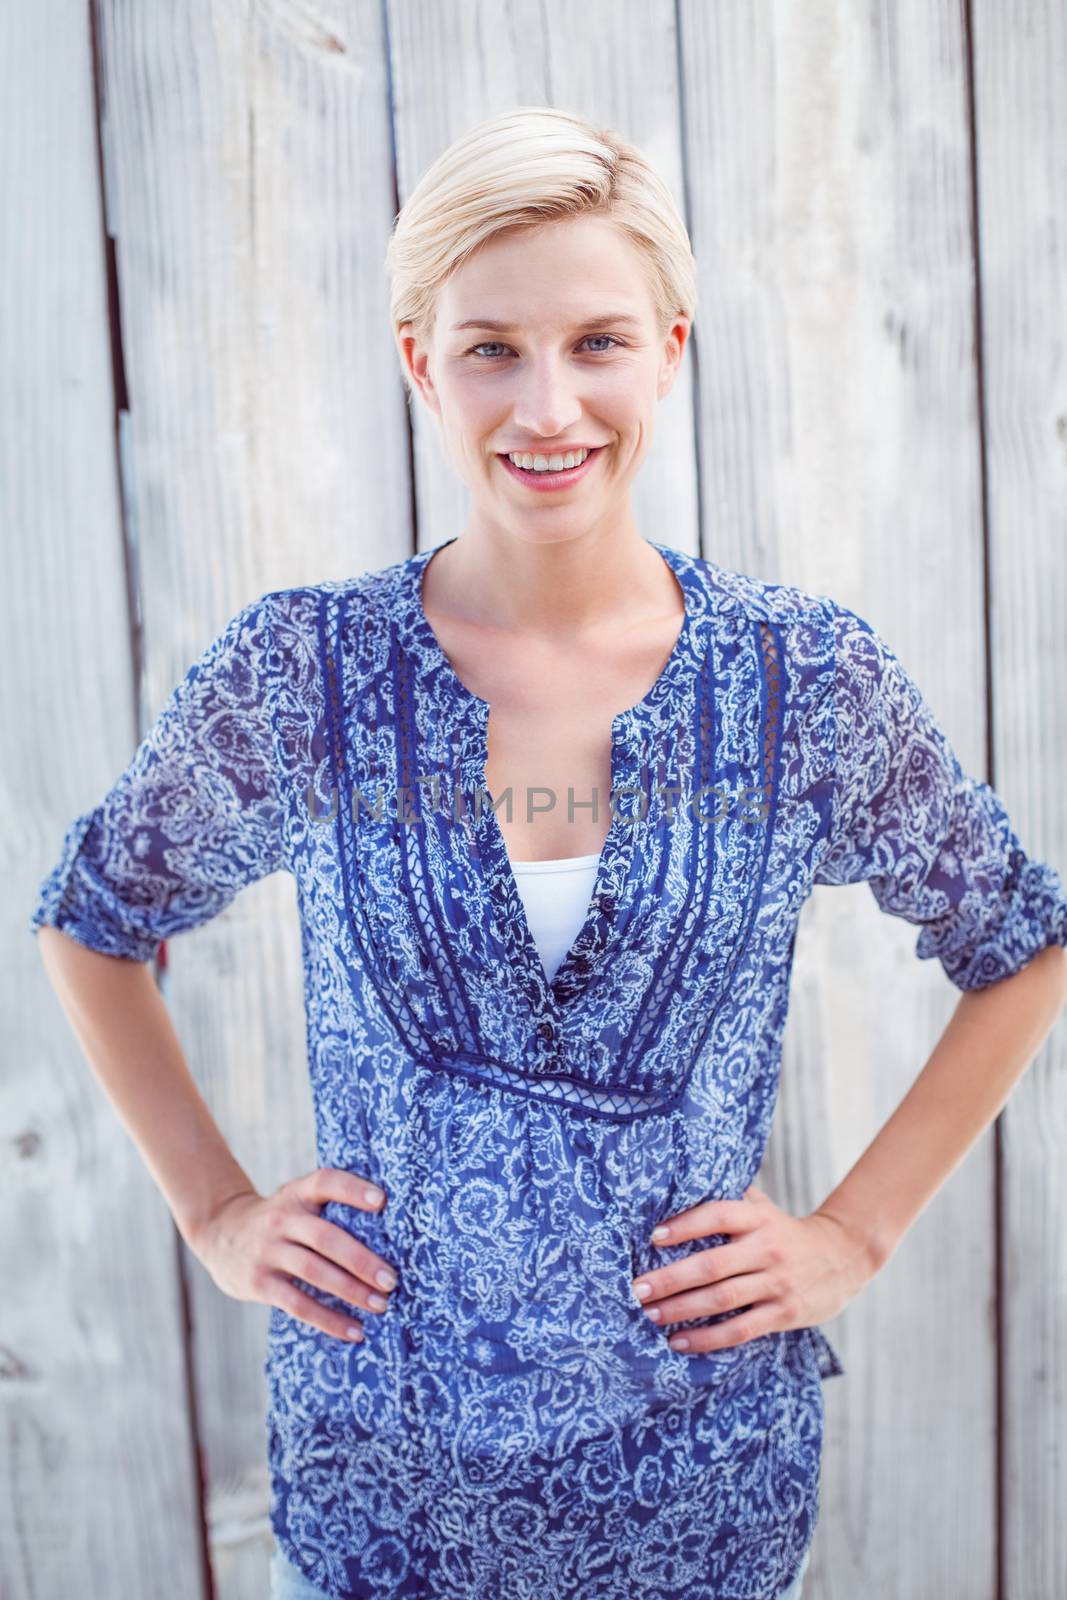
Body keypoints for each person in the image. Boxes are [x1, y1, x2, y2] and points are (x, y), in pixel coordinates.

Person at [30, 105, 1067, 1600]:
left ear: (671, 350)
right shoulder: (302, 672)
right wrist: (215, 1209)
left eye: (596, 342)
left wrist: (853, 1232)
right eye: (491, 348)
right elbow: (93, 917)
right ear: (419, 365)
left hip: (703, 1495)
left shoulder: (804, 682)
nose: (548, 406)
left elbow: (1020, 947)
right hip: (376, 1493)